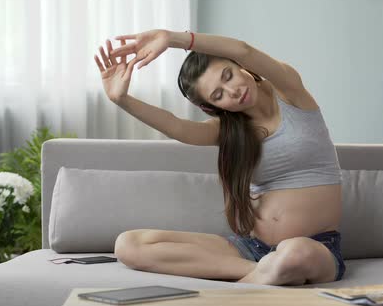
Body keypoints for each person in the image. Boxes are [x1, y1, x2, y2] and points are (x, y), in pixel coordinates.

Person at [93, 29, 345, 286]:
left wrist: (173, 39)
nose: (232, 91)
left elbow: (244, 50)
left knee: (294, 255)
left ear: (240, 66)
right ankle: (260, 273)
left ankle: (254, 280)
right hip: (250, 248)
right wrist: (121, 99)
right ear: (214, 107)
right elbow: (178, 127)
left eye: (228, 75)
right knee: (128, 244)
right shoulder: (228, 131)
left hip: (315, 247)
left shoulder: (290, 92)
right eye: (218, 95)